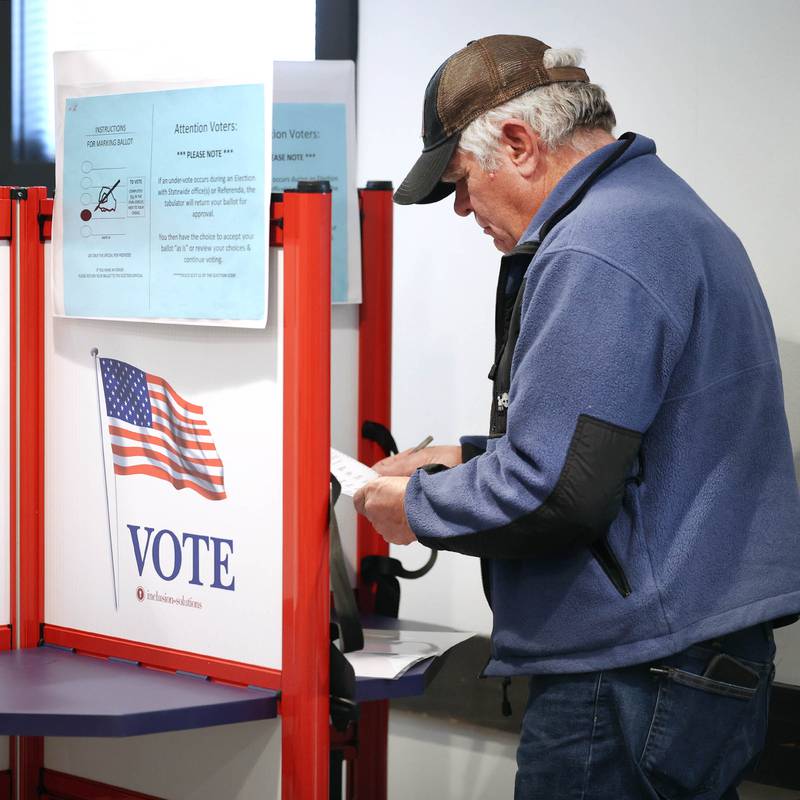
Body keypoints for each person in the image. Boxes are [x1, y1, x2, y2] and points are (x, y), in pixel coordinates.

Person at [353, 34, 800, 799]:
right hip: (681, 663)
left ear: (521, 145)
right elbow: (620, 441)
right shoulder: (655, 209)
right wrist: (461, 458)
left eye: (461, 182)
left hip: (632, 677)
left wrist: (415, 509)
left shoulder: (598, 244)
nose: (462, 209)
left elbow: (560, 489)